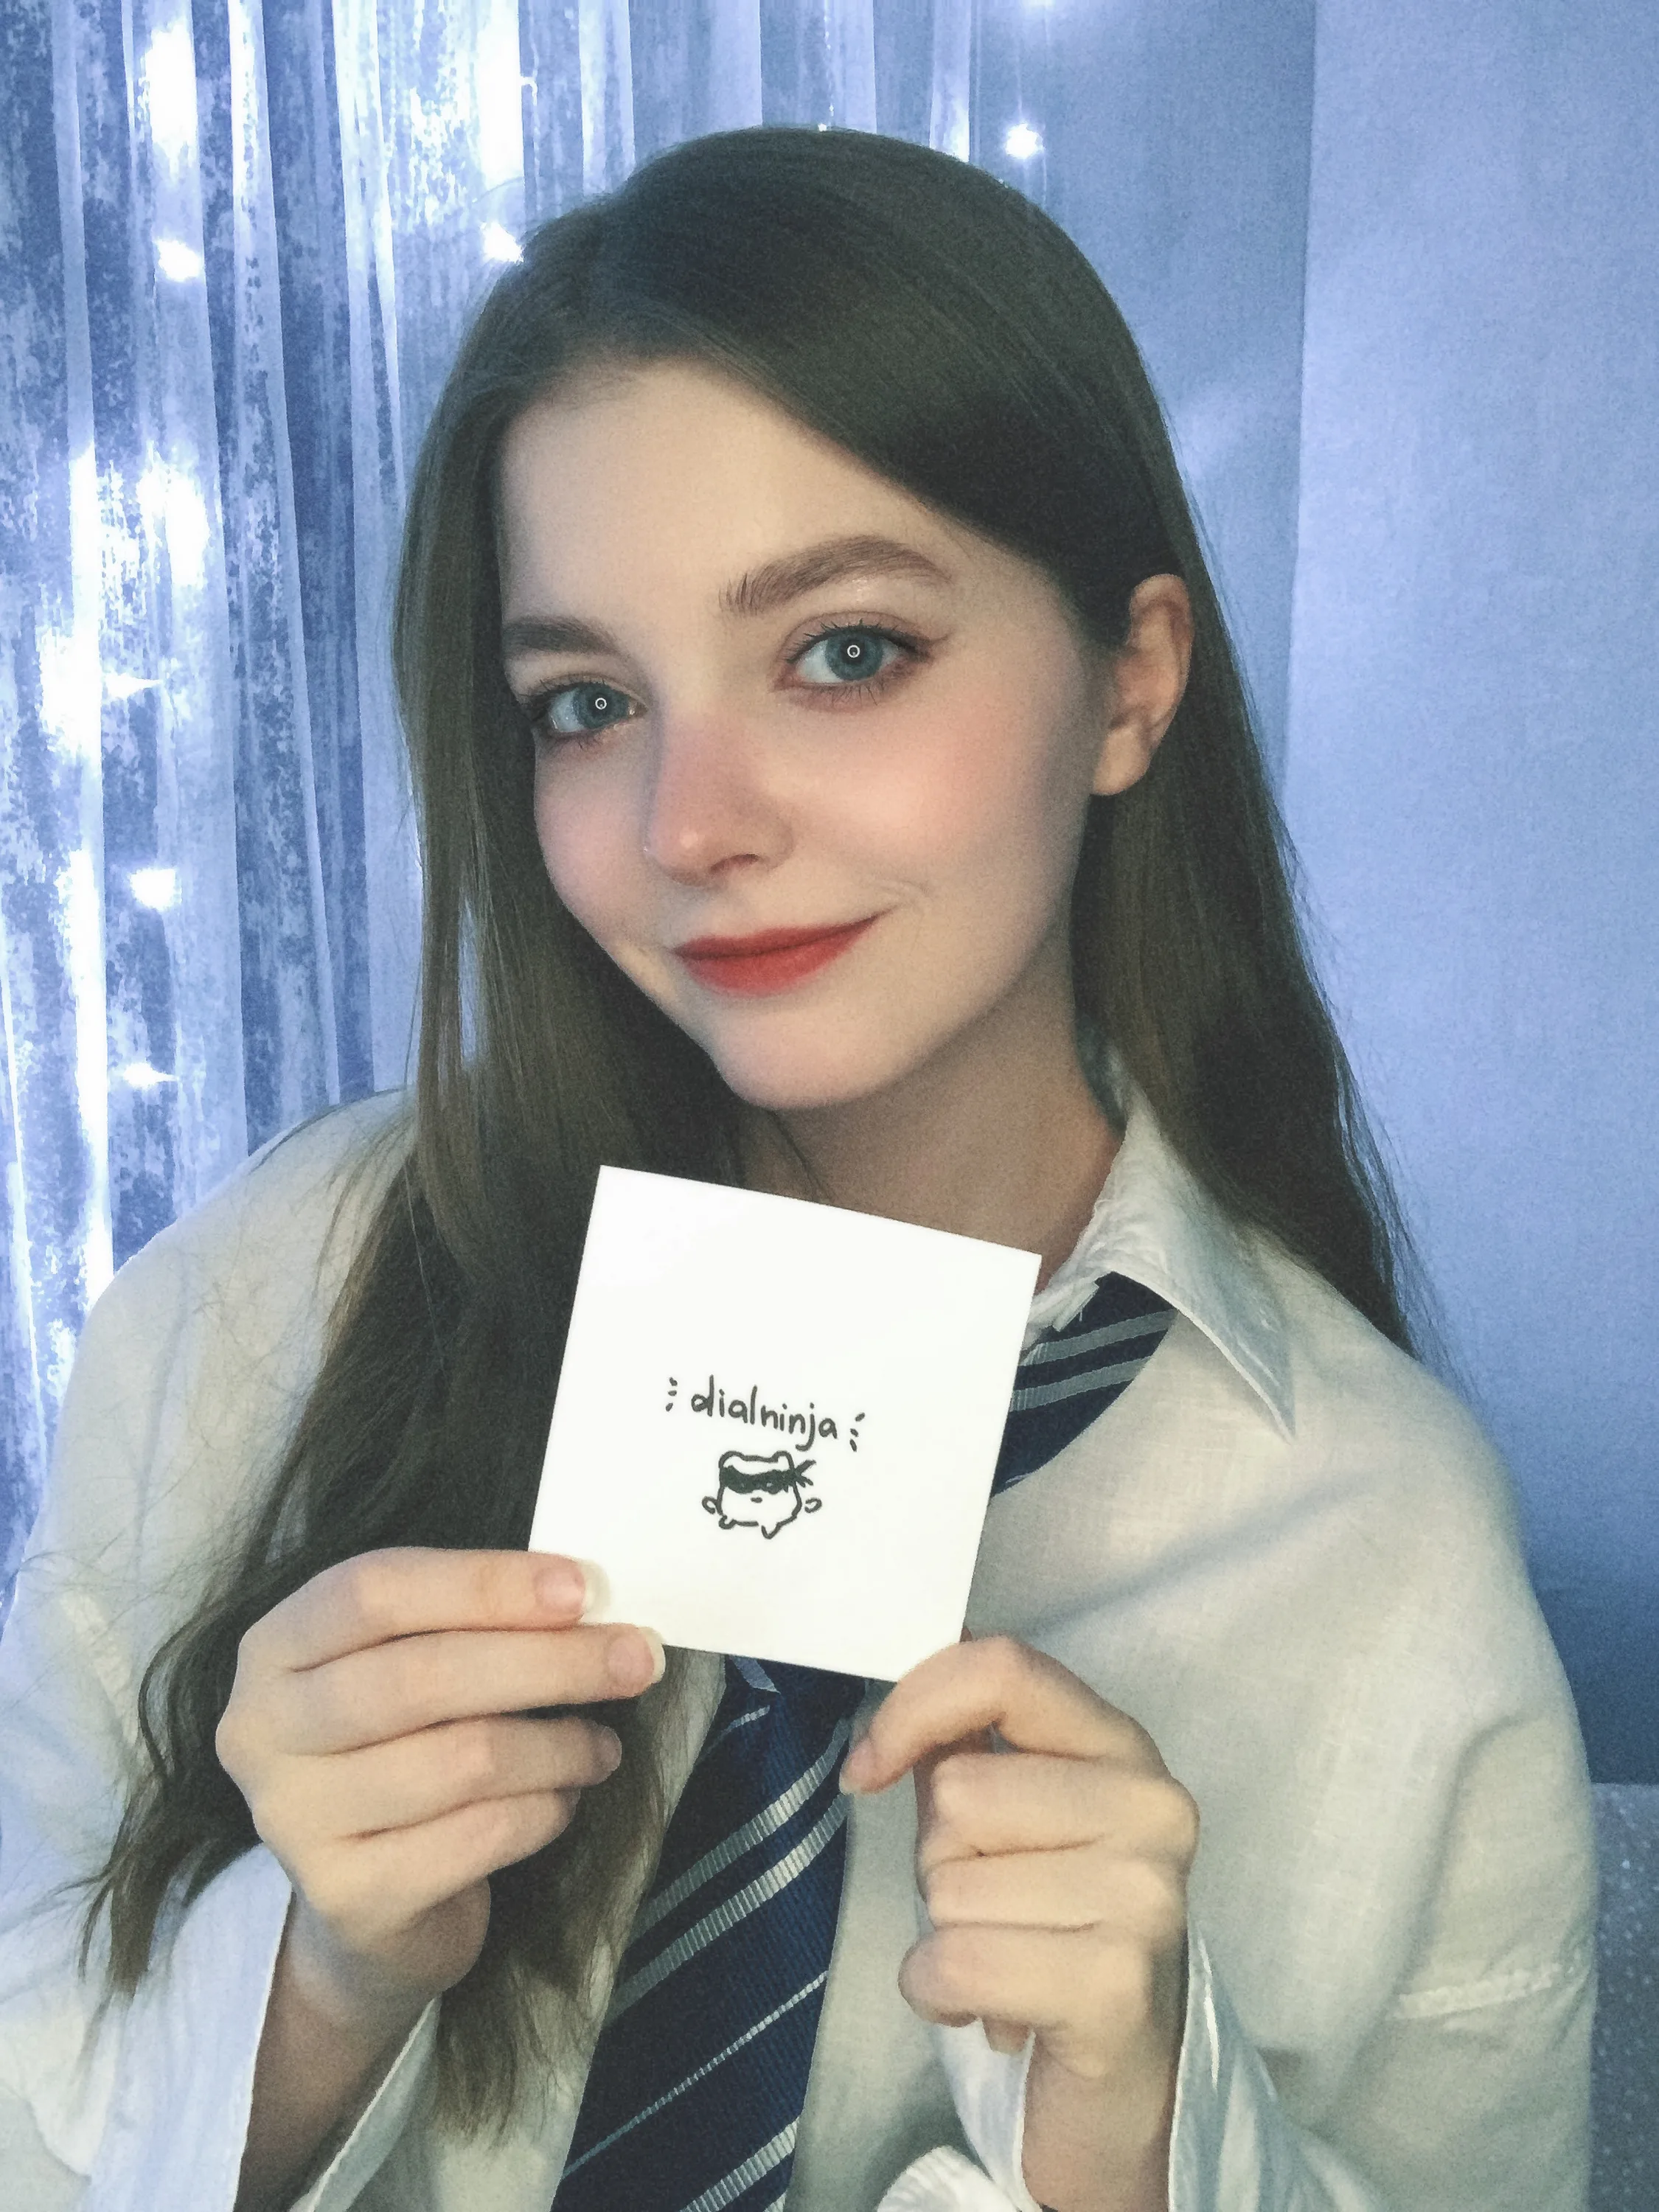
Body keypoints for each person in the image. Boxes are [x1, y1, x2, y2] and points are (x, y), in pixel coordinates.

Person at [0, 126, 1595, 2212]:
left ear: (1132, 680)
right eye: (586, 700)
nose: (691, 824)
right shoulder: (269, 1307)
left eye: (846, 651)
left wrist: (1141, 2145)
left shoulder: (1381, 1541)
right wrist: (319, 1984)